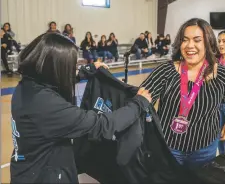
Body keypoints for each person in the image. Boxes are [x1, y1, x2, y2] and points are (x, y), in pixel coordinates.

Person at [10, 33, 152, 183]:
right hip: (43, 176)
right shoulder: (46, 105)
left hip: (27, 168)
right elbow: (101, 125)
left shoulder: (28, 86)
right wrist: (138, 104)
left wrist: (85, 71)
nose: (73, 69)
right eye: (70, 66)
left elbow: (53, 81)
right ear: (55, 67)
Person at [140, 18, 225, 168]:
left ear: (208, 43)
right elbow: (139, 99)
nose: (190, 45)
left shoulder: (221, 74)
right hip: (168, 146)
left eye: (197, 40)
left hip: (205, 148)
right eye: (185, 40)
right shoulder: (165, 71)